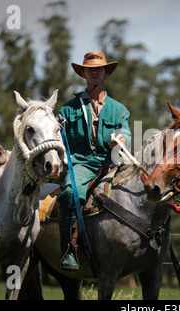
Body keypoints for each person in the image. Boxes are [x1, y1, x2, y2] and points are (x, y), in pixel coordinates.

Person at [57, 51, 131, 271]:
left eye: (99, 69)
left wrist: (120, 139)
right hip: (81, 163)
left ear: (106, 73)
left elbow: (124, 129)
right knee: (70, 193)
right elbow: (59, 139)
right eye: (90, 69)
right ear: (84, 74)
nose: (95, 73)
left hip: (112, 163)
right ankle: (69, 249)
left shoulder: (119, 109)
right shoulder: (68, 108)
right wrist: (56, 128)